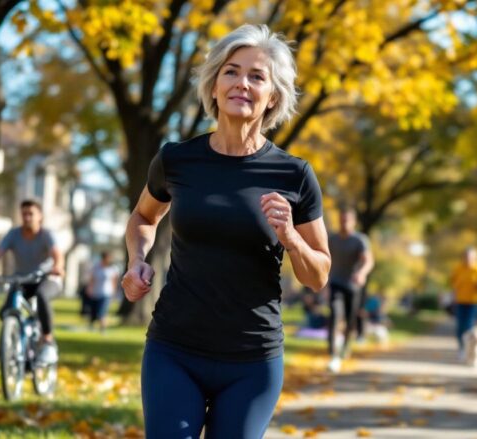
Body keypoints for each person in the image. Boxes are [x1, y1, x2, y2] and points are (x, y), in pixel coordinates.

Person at [120, 24, 330, 439]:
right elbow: (144, 217)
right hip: (175, 348)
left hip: (252, 361)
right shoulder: (177, 160)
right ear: (214, 86)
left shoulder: (294, 174)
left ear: (273, 96)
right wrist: (137, 261)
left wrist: (290, 237)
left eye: (257, 76)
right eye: (231, 72)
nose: (242, 84)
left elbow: (319, 275)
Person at [0, 199, 64, 363]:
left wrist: (58, 267)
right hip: (22, 279)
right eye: (24, 214)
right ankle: (19, 346)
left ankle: (47, 341)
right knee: (6, 311)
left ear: (39, 216)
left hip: (47, 278)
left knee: (42, 296)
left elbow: (57, 254)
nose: (27, 217)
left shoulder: (46, 234)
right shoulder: (14, 234)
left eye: (31, 214)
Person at [326, 206, 374, 373]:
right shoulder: (332, 239)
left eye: (347, 220)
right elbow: (324, 258)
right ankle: (333, 355)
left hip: (353, 286)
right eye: (342, 219)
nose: (344, 223)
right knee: (334, 314)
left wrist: (361, 272)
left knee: (350, 318)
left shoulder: (360, 240)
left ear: (353, 222)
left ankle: (346, 346)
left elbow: (368, 261)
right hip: (335, 283)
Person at [450, 247, 477, 361]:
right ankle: (462, 348)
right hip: (460, 301)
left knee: (469, 325)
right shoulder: (458, 268)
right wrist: (453, 297)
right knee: (459, 326)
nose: (468, 259)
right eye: (466, 257)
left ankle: (470, 350)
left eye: (471, 257)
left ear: (475, 258)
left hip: (474, 302)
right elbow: (453, 283)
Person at [85, 251, 119, 332]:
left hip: (106, 293)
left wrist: (114, 292)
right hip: (95, 292)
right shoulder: (96, 267)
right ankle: (91, 326)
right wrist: (89, 288)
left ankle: (102, 329)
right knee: (93, 311)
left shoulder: (112, 269)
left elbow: (114, 281)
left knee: (102, 312)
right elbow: (92, 279)